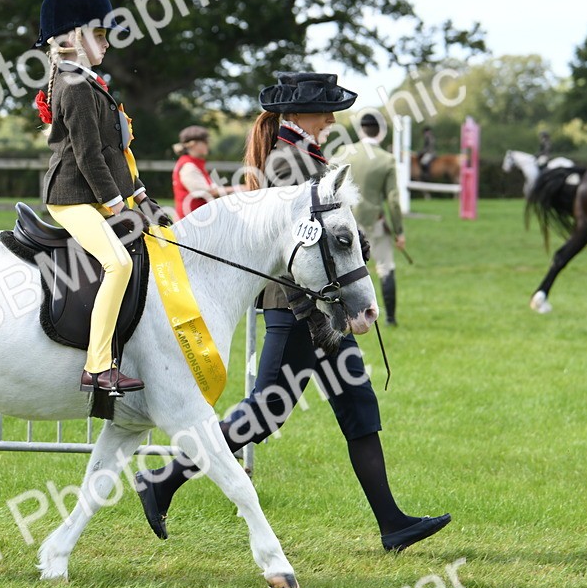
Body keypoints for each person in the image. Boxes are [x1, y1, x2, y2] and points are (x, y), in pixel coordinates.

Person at [134, 73, 451, 553]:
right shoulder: (287, 161)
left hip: (319, 303)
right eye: (324, 111)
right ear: (298, 115)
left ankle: (392, 523)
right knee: (267, 409)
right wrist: (319, 315)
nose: (330, 119)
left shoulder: (304, 153)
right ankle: (165, 479)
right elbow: (292, 244)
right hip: (299, 306)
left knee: (356, 404)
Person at [34, 0, 170, 396]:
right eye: (98, 33)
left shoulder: (88, 81)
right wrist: (116, 207)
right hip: (72, 197)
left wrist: (142, 197)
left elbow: (114, 152)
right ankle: (97, 366)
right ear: (74, 36)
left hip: (92, 192)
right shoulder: (74, 86)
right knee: (119, 264)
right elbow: (90, 156)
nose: (107, 43)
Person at [343, 112, 405, 326]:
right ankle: (390, 318)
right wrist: (399, 232)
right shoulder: (386, 160)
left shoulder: (342, 153)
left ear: (361, 130)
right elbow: (394, 200)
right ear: (381, 132)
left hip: (345, 223)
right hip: (374, 223)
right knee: (385, 267)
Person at [171, 125, 230, 218]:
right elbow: (207, 192)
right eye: (205, 141)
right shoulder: (188, 166)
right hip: (191, 223)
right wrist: (241, 189)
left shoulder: (194, 163)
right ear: (193, 144)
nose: (208, 144)